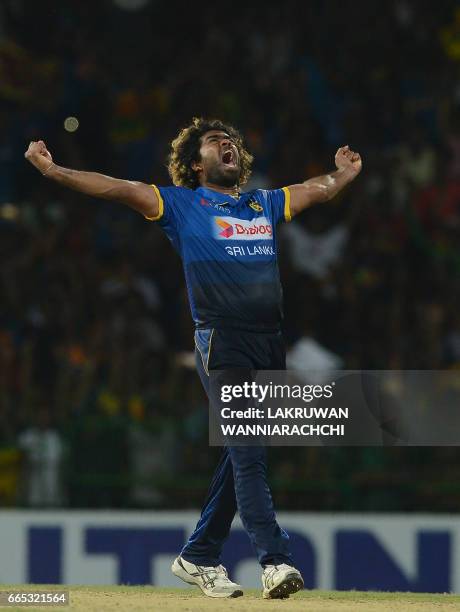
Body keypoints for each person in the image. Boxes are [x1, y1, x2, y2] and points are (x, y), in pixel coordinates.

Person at [25, 117, 362, 599]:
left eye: (231, 141)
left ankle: (200, 555)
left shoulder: (262, 204)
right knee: (248, 455)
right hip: (222, 340)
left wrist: (344, 175)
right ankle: (274, 560)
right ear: (194, 163)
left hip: (270, 342)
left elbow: (314, 189)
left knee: (243, 453)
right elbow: (116, 188)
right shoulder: (180, 204)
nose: (227, 143)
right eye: (213, 141)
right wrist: (54, 171)